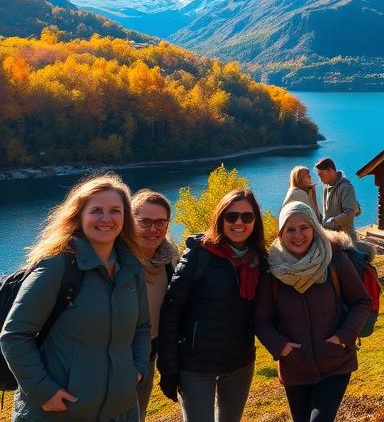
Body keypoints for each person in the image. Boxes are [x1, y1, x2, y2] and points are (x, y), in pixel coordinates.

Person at [0, 174, 151, 422]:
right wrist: (43, 391)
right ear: (79, 216)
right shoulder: (57, 266)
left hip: (120, 411)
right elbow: (14, 336)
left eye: (115, 210)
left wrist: (137, 371)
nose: (106, 218)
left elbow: (142, 328)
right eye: (96, 211)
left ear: (125, 218)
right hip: (57, 414)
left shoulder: (131, 269)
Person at [254, 201, 372, 422]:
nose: (298, 235)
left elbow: (361, 301)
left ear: (315, 229)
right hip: (295, 368)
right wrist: (281, 347)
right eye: (290, 229)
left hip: (335, 362)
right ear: (281, 233)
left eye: (304, 227)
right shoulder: (273, 271)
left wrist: (343, 337)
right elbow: (261, 320)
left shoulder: (334, 259)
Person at [157, 188, 268, 422]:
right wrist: (168, 367)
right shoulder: (200, 255)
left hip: (240, 361)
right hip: (196, 365)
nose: (239, 222)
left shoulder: (259, 260)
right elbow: (171, 311)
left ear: (255, 221)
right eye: (231, 216)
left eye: (247, 217)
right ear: (220, 219)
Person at [131, 189, 180, 421]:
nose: (154, 229)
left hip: (150, 350)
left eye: (161, 222)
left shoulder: (170, 258)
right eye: (145, 222)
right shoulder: (116, 259)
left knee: (138, 413)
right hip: (116, 354)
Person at [316, 158, 360, 241]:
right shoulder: (326, 185)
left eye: (321, 174)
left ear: (330, 170)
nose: (320, 178)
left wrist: (330, 222)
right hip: (331, 236)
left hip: (346, 239)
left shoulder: (346, 187)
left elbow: (350, 213)